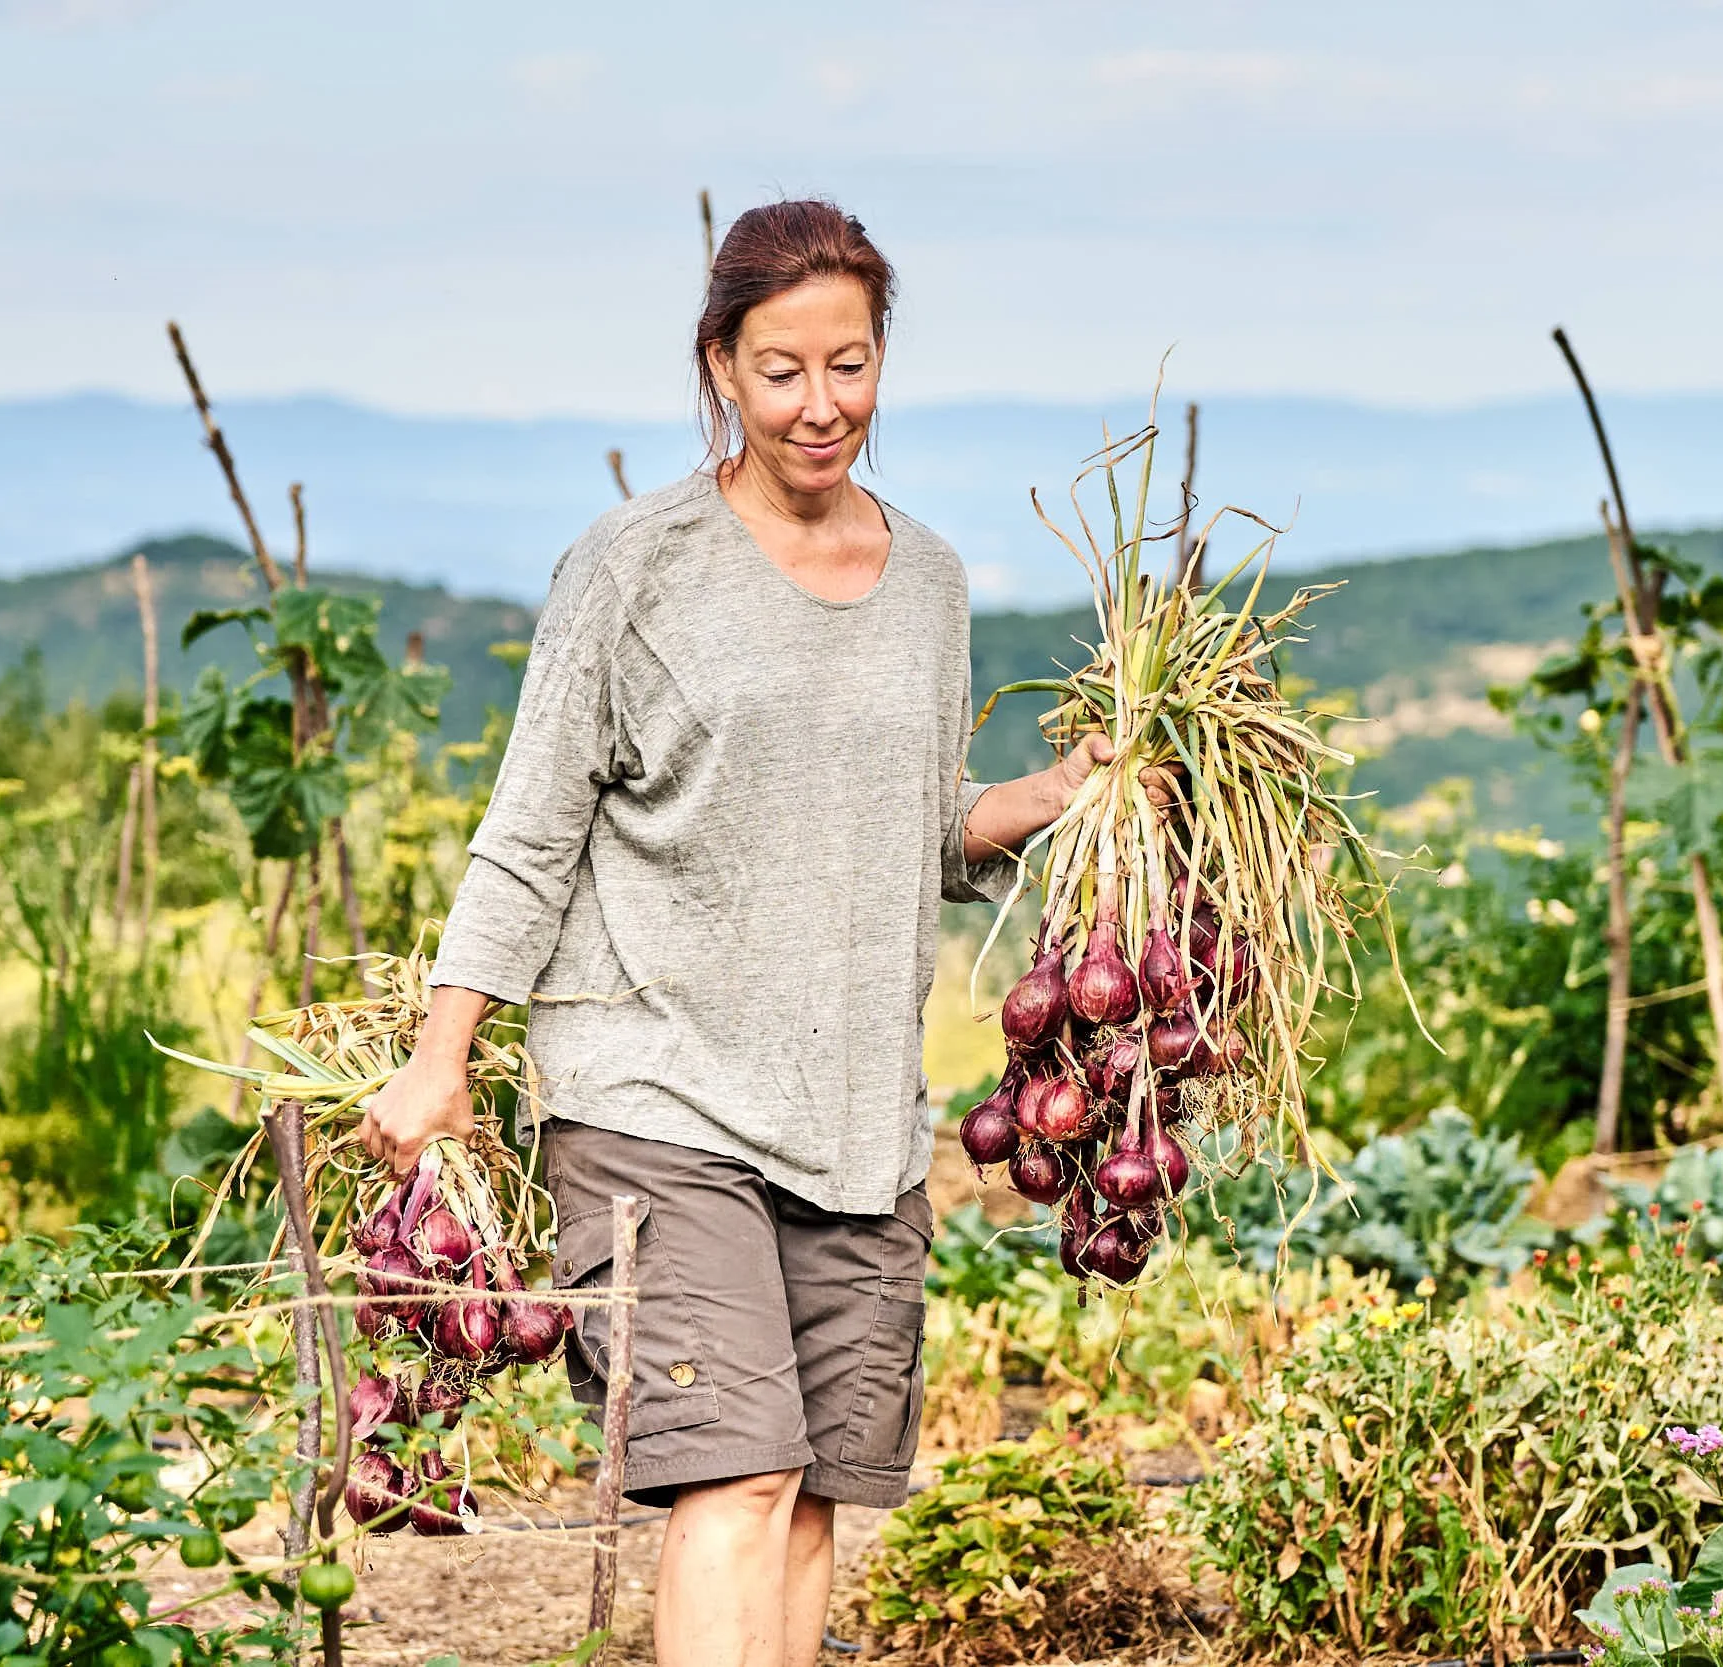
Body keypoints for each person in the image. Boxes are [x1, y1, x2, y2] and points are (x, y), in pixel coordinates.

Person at [359, 198, 1163, 1667]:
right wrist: (440, 1054)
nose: (819, 405)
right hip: (654, 1090)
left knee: (807, 1502)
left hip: (856, 1113)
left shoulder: (927, 579)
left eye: (848, 365)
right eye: (781, 370)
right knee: (731, 1474)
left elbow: (917, 828)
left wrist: (1059, 792)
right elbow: (531, 830)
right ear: (720, 366)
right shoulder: (632, 569)